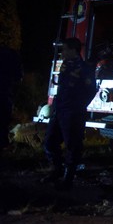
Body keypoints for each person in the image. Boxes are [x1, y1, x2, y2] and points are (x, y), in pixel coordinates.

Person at [42, 37, 97, 189]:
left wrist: (78, 106)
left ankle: (68, 179)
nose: (63, 52)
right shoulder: (66, 65)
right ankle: (57, 170)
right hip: (60, 110)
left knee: (72, 146)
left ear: (73, 50)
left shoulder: (85, 68)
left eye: (65, 49)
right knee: (50, 142)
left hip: (73, 112)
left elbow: (91, 89)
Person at [0, 45, 22, 151]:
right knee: (3, 119)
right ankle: (3, 144)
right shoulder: (12, 55)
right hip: (5, 92)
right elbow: (18, 76)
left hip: (5, 92)